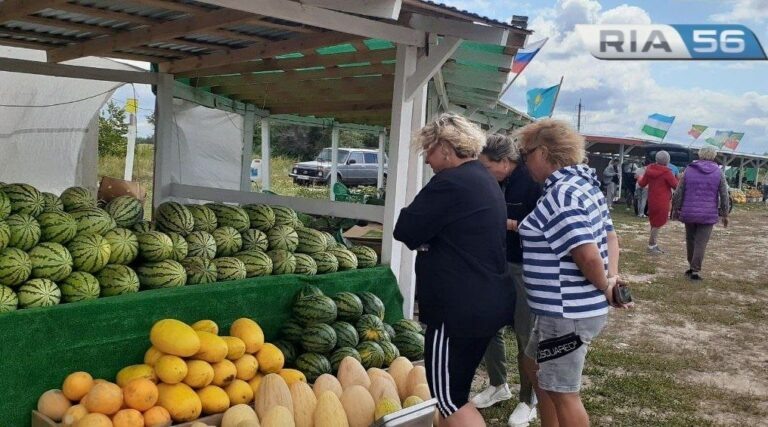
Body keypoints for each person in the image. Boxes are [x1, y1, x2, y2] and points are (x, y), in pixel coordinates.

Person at [393, 113, 514, 426]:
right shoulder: (483, 178)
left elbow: (406, 230)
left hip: (457, 308)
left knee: (449, 399)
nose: (428, 161)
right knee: (455, 389)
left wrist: (426, 233)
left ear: (445, 148)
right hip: (486, 301)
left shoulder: (450, 182)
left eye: (429, 151)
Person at [514, 119, 627, 427]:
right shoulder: (585, 187)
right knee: (535, 367)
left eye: (525, 154)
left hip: (565, 313)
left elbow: (587, 253)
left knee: (563, 392)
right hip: (565, 311)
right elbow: (610, 237)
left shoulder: (561, 195)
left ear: (543, 152)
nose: (524, 162)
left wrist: (605, 284)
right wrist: (612, 278)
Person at [473, 134, 542, 426]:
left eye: (488, 167)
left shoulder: (532, 180)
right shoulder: (497, 181)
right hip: (497, 262)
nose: (484, 173)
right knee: (487, 323)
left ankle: (529, 400)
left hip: (524, 266)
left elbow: (542, 224)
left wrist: (509, 223)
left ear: (505, 162)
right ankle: (498, 384)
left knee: (526, 334)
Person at [671, 146, 730, 281]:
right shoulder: (718, 172)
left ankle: (691, 266)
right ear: (714, 156)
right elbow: (724, 194)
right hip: (708, 213)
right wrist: (725, 213)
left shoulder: (689, 170)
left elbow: (679, 191)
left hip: (689, 211)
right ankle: (695, 270)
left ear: (699, 155)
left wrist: (675, 208)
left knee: (690, 240)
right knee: (701, 242)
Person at [638, 151, 678, 254]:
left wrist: (639, 178)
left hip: (652, 199)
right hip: (663, 200)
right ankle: (651, 246)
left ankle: (654, 245)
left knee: (654, 222)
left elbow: (642, 183)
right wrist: (679, 178)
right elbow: (675, 186)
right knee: (658, 223)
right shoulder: (667, 172)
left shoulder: (649, 169)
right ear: (667, 161)